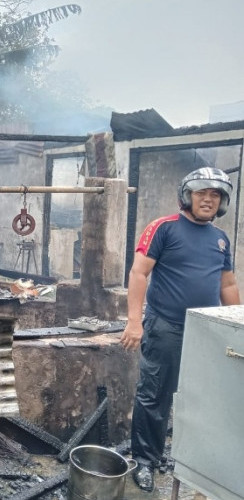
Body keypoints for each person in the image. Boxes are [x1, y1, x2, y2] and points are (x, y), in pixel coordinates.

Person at [120, 166, 240, 492]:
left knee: (201, 398)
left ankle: (189, 459)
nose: (208, 199)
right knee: (154, 395)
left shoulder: (220, 239)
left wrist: (237, 323)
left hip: (207, 332)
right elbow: (139, 273)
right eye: (202, 192)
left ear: (222, 202)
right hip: (166, 326)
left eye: (215, 194)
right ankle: (145, 461)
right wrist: (134, 321)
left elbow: (227, 283)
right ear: (187, 195)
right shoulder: (163, 228)